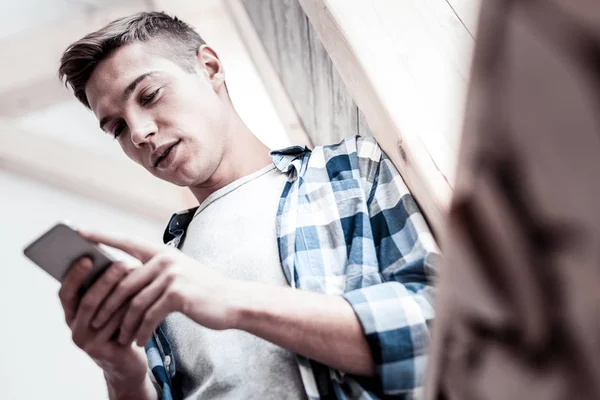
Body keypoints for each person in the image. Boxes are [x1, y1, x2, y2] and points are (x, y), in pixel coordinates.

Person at [57, 11, 438, 400]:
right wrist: (122, 374)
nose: (138, 132)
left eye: (150, 95)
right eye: (117, 127)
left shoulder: (348, 173)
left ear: (209, 68)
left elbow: (442, 332)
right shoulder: (161, 276)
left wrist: (234, 300)